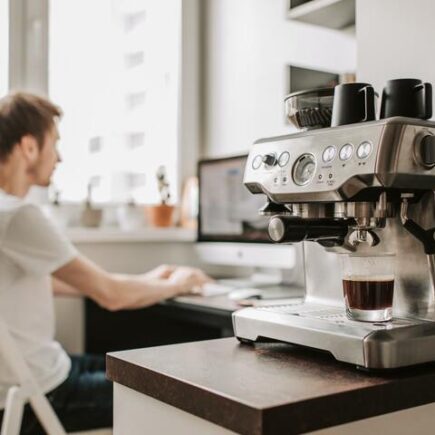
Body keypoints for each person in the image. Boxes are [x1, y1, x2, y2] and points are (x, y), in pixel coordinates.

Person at [0, 92, 211, 433]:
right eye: (54, 143)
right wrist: (181, 283)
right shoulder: (18, 215)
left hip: (44, 371)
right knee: (176, 392)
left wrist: (149, 279)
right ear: (28, 147)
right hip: (39, 394)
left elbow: (60, 282)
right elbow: (111, 295)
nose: (60, 157)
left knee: (137, 367)